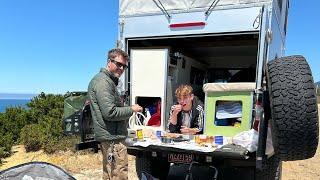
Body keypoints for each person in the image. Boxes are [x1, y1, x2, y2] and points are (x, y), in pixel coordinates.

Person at [88, 48, 142, 180]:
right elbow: (110, 112)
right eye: (118, 64)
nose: (121, 68)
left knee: (109, 174)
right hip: (113, 139)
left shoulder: (107, 81)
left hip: (111, 138)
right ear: (109, 62)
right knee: (119, 175)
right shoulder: (103, 82)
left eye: (124, 66)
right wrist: (132, 109)